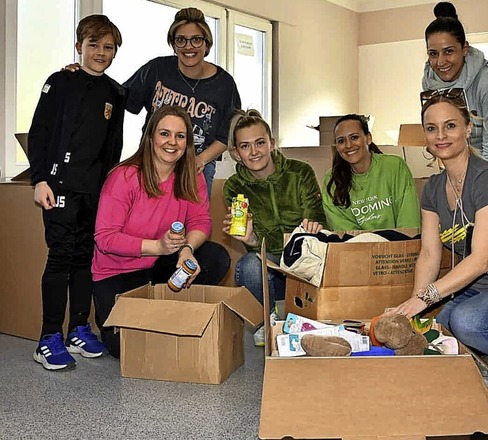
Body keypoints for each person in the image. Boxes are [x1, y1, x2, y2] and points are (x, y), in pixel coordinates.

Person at [389, 91, 488, 410]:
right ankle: (482, 350)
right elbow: (430, 255)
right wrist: (417, 310)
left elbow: (480, 260)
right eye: (431, 128)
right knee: (439, 327)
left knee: (466, 322)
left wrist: (424, 298)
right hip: (479, 293)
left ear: (468, 128)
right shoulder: (432, 189)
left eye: (450, 126)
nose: (440, 135)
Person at [28, 15, 126, 371]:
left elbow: (112, 148)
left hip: (94, 192)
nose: (101, 53)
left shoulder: (116, 92)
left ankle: (79, 329)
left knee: (85, 258)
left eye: (108, 47)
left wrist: (110, 192)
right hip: (57, 187)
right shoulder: (60, 82)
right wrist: (40, 179)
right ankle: (48, 337)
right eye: (94, 45)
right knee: (61, 257)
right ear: (79, 47)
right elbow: (38, 134)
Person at [92, 105, 230, 358]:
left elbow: (201, 220)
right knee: (123, 349)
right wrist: (158, 246)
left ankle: (173, 313)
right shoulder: (124, 177)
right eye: (164, 134)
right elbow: (105, 238)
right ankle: (162, 319)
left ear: (188, 142)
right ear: (151, 136)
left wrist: (187, 250)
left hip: (160, 266)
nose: (172, 142)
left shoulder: (190, 175)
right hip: (117, 273)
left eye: (180, 136)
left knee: (215, 256)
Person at [67, 7, 241, 195]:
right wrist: (85, 74)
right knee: (146, 222)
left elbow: (229, 132)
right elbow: (118, 96)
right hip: (152, 165)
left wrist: (200, 160)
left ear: (207, 44)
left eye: (196, 40)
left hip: (195, 168)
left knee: (193, 222)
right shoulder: (157, 69)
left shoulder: (224, 84)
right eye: (180, 40)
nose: (188, 46)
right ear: (173, 45)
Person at [222, 109, 325, 346]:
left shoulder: (300, 172)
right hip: (269, 263)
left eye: (259, 142)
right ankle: (266, 322)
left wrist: (312, 226)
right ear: (237, 153)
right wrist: (249, 240)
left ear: (272, 143)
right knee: (247, 265)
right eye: (245, 146)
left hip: (303, 255)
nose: (254, 151)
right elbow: (255, 245)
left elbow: (319, 220)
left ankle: (309, 319)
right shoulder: (234, 187)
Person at [422, 2, 488, 185]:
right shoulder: (429, 84)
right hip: (469, 158)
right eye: (433, 54)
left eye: (448, 51)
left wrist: (483, 189)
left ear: (464, 49)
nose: (440, 62)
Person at [322, 114, 421, 231]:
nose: (348, 145)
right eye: (341, 141)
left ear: (368, 138)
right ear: (337, 147)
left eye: (354, 137)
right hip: (357, 248)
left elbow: (409, 223)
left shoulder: (394, 167)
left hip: (401, 246)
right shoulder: (332, 180)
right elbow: (345, 233)